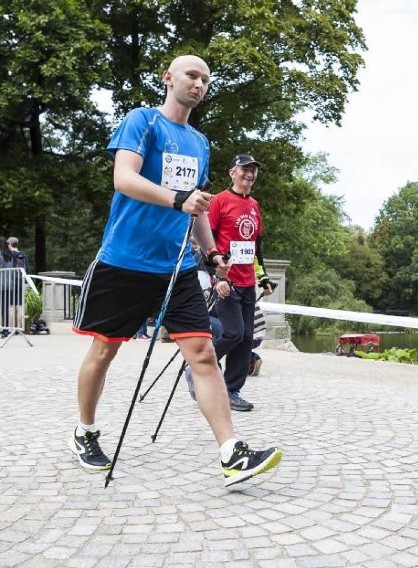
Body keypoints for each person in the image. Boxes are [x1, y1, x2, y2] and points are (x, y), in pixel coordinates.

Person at [69, 54, 281, 487]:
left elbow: (197, 207)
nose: (199, 83)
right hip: (125, 261)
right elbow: (124, 179)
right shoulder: (142, 122)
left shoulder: (200, 143)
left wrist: (212, 255)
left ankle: (231, 453)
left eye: (205, 78)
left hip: (177, 267)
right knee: (104, 351)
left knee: (202, 353)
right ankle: (85, 432)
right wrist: (178, 198)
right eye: (191, 75)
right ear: (168, 77)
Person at [204, 154, 275, 411]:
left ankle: (231, 390)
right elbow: (205, 242)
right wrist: (215, 277)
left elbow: (256, 246)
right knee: (233, 333)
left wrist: (263, 277)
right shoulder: (219, 201)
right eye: (245, 169)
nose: (250, 174)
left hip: (247, 282)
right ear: (232, 172)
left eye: (253, 170)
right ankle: (199, 365)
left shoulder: (254, 205)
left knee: (246, 338)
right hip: (226, 280)